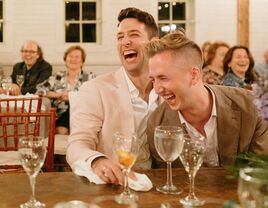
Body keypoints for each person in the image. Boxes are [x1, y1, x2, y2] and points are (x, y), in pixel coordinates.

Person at [145, 30, 268, 168]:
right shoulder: (157, 124)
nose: (157, 89)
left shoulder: (252, 106)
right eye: (153, 80)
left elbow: (260, 173)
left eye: (163, 78)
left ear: (194, 75)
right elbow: (167, 182)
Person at [66, 7, 161, 184]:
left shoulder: (168, 90)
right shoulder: (95, 89)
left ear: (154, 43)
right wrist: (97, 161)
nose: (125, 42)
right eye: (120, 37)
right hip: (113, 187)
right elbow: (77, 144)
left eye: (133, 35)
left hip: (161, 186)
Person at [36, 45, 95, 135]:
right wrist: (58, 95)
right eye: (70, 56)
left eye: (77, 57)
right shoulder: (57, 77)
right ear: (65, 59)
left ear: (82, 61)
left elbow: (95, 96)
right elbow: (39, 90)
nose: (73, 59)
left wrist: (72, 97)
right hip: (60, 114)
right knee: (61, 130)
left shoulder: (90, 77)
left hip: (82, 113)